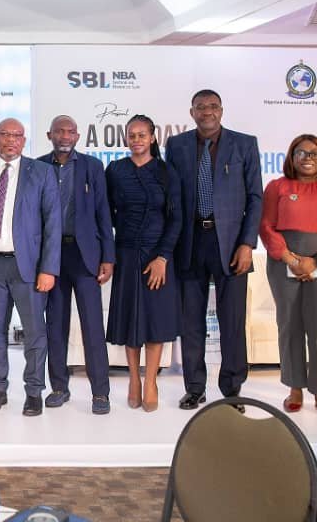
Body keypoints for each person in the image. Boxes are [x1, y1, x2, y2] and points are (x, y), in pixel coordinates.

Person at [165, 89, 262, 410]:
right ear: (191, 112)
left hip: (232, 244)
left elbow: (255, 198)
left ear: (221, 110)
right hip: (190, 242)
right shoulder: (176, 146)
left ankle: (232, 390)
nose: (207, 111)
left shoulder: (244, 144)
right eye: (200, 107)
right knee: (190, 321)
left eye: (213, 106)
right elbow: (172, 198)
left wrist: (247, 243)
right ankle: (195, 387)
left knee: (232, 321)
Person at [0, 118, 61, 417]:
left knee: (34, 333)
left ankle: (34, 391)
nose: (10, 140)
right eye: (4, 134)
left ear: (24, 140)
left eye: (17, 135)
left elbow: (52, 225)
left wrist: (49, 269)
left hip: (28, 267)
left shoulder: (41, 172)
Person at [259, 134, 317, 418]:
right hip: (283, 260)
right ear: (292, 157)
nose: (308, 158)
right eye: (301, 152)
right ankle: (295, 387)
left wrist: (315, 261)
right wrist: (290, 259)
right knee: (289, 325)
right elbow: (266, 226)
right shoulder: (277, 187)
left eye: (314, 153)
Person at [37, 114, 115, 415]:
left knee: (92, 326)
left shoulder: (92, 167)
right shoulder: (38, 167)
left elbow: (103, 213)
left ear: (78, 136)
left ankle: (101, 393)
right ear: (50, 135)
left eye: (70, 131)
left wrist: (108, 257)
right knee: (55, 325)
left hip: (86, 257)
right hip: (51, 258)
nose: (65, 136)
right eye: (59, 131)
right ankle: (59, 387)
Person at [105, 115, 182, 412]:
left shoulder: (166, 172)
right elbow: (106, 213)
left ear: (152, 137)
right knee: (130, 319)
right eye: (132, 135)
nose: (136, 140)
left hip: (157, 255)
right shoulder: (115, 170)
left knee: (154, 320)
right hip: (126, 254)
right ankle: (134, 380)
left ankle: (150, 381)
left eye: (142, 135)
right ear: (126, 138)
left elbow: (176, 219)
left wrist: (163, 257)